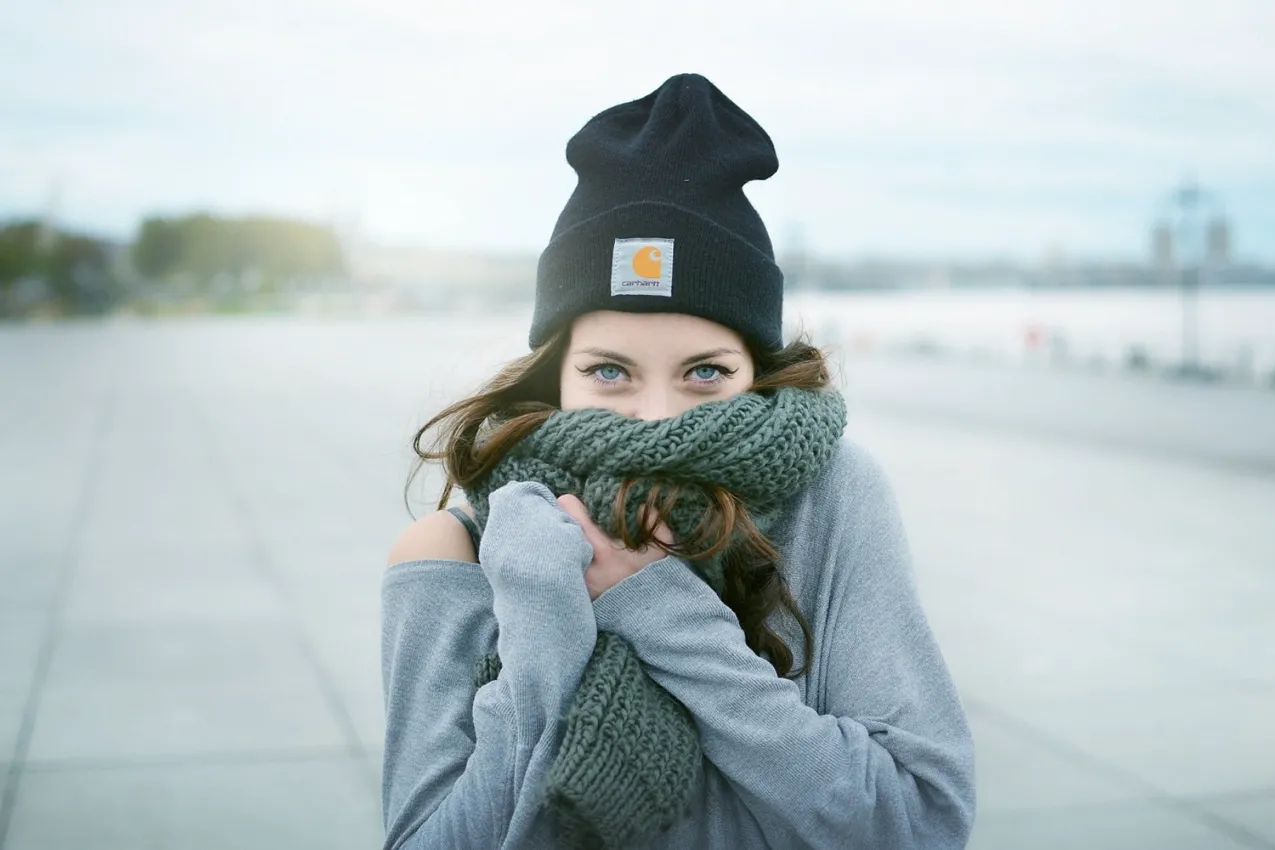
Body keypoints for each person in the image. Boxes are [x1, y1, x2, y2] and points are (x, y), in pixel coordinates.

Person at [380, 73, 975, 850]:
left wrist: (659, 606)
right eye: (609, 371)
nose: (657, 417)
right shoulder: (457, 549)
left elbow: (918, 823)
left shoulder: (829, 494)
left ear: (754, 372)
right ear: (556, 376)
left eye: (705, 372)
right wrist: (539, 621)